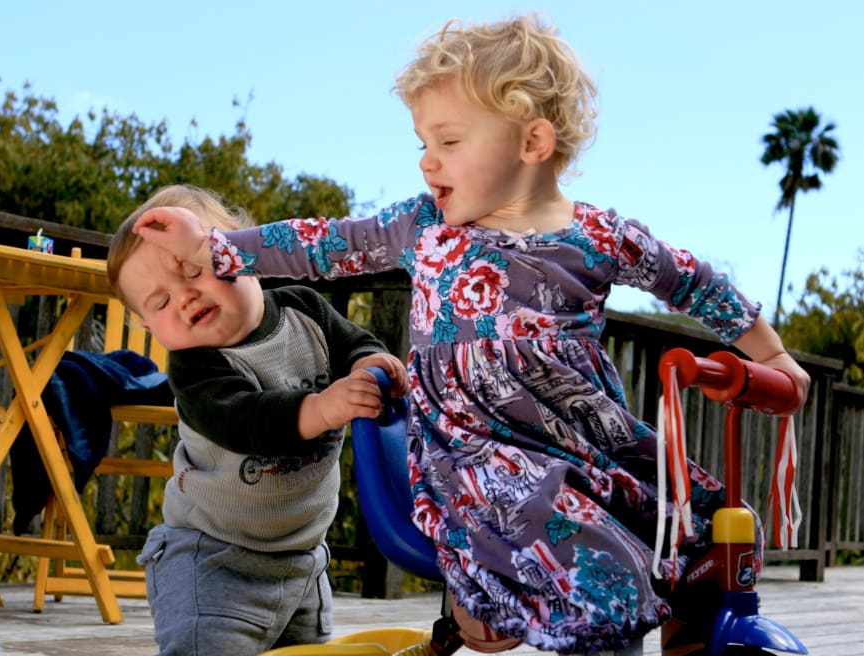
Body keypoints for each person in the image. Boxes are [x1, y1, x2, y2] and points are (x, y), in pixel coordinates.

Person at [132, 16, 811, 656]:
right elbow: (324, 244)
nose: (429, 161)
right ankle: (482, 591)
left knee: (688, 515)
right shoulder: (426, 226)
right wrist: (219, 248)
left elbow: (691, 281)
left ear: (532, 142)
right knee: (538, 513)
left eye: (449, 142)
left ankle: (669, 619)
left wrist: (771, 354)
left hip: (575, 436)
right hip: (472, 449)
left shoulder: (598, 237)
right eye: (423, 143)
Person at [107, 184, 407, 656]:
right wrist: (324, 408)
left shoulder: (304, 309)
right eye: (160, 303)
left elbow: (356, 343)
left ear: (247, 249)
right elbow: (245, 422)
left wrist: (371, 365)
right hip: (212, 560)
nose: (184, 297)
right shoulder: (195, 367)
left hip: (304, 558)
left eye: (195, 269)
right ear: (149, 327)